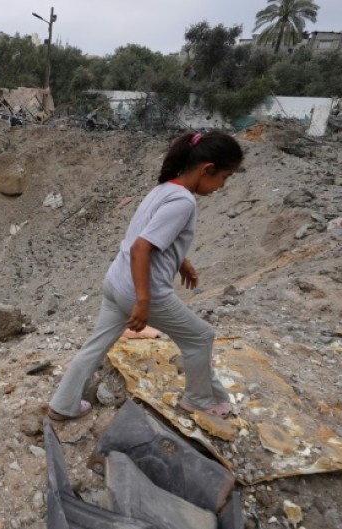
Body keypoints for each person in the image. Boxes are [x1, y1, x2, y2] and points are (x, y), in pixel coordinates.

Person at [48, 131, 244, 421]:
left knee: (96, 345)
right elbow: (142, 248)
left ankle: (63, 405)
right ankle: (199, 400)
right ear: (207, 169)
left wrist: (182, 262)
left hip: (116, 280)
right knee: (201, 337)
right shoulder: (184, 202)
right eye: (224, 178)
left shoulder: (164, 189)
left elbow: (153, 237)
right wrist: (142, 302)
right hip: (139, 289)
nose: (222, 186)